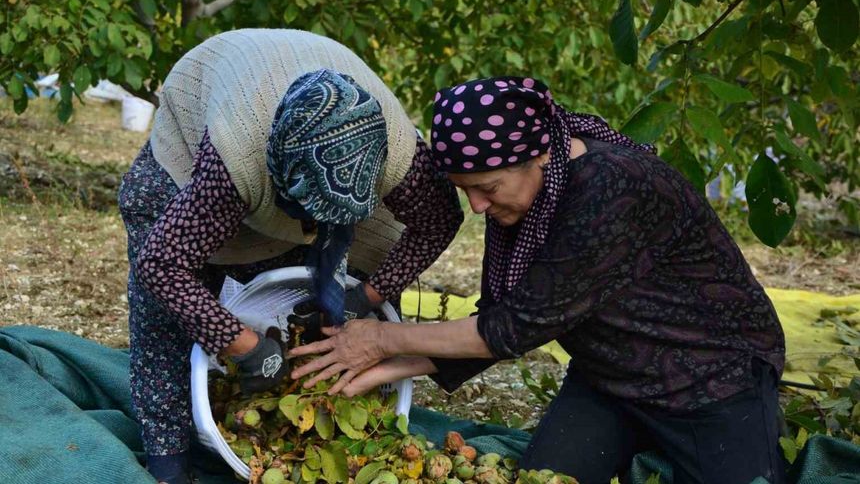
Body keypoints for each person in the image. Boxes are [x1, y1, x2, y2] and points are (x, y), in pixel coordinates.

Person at [289, 77, 787, 484]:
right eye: (467, 192)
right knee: (542, 479)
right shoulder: (527, 196)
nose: (477, 207)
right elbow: (502, 316)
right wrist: (384, 366)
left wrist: (380, 340)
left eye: (486, 189)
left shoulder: (613, 189)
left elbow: (513, 328)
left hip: (711, 377)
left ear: (540, 155)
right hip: (609, 376)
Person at [117, 29, 463, 484]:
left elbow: (439, 221)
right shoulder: (232, 160)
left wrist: (365, 295)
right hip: (199, 135)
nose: (311, 230)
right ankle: (168, 458)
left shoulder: (398, 154)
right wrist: (244, 347)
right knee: (172, 313)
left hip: (301, 146)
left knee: (308, 293)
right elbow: (161, 267)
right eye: (309, 215)